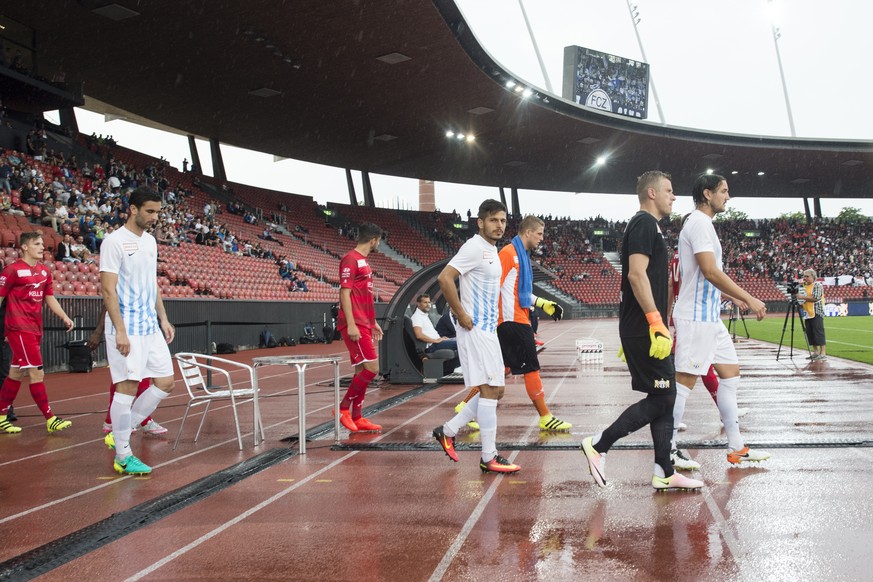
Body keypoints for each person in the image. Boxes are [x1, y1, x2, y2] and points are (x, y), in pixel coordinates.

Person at [580, 171, 703, 490]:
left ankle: (664, 470)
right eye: (669, 190)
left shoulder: (650, 227)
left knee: (665, 394)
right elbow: (636, 276)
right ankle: (599, 445)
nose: (674, 197)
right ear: (651, 193)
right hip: (644, 328)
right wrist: (655, 322)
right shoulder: (644, 224)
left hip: (642, 328)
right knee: (664, 398)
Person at [670, 173, 770, 467]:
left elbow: (705, 277)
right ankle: (669, 447)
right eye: (724, 191)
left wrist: (733, 298)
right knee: (684, 383)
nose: (728, 196)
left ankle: (737, 446)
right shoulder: (699, 223)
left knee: (730, 374)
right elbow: (710, 271)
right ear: (707, 193)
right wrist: (749, 297)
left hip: (710, 317)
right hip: (696, 318)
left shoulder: (704, 225)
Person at [454, 216, 571, 432]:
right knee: (531, 367)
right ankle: (545, 417)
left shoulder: (521, 255)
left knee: (500, 369)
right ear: (527, 232)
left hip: (516, 318)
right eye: (539, 234)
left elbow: (518, 290)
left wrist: (543, 303)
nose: (542, 239)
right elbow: (492, 286)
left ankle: (464, 406)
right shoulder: (508, 253)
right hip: (511, 321)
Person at [432, 199, 520, 474]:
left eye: (503, 221)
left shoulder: (493, 250)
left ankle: (448, 430)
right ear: (480, 222)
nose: (499, 225)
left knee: (496, 390)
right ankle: (489, 456)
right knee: (490, 390)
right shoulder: (473, 247)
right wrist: (460, 313)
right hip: (475, 329)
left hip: (488, 329)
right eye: (493, 220)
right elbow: (445, 278)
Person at [101, 186, 176, 475]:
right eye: (150, 211)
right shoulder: (114, 242)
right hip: (127, 325)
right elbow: (107, 290)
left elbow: (152, 283)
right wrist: (119, 330)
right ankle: (122, 454)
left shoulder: (150, 242)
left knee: (165, 382)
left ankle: (122, 430)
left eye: (157, 211)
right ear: (133, 209)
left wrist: (163, 318)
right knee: (127, 387)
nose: (155, 217)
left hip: (149, 325)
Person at [0, 231, 75, 435]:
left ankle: (1, 417)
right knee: (37, 372)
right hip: (18, 327)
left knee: (15, 373)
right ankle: (50, 418)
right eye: (37, 244)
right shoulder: (11, 270)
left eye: (43, 244)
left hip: (35, 328)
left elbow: (49, 298)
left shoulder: (44, 272)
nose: (43, 247)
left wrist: (65, 317)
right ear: (24, 247)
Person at [88, 306, 167, 435]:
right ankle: (142, 421)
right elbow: (108, 300)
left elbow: (151, 297)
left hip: (144, 326)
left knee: (128, 376)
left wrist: (163, 319)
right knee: (131, 376)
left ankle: (112, 421)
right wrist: (98, 332)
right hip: (125, 328)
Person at [336, 223, 384, 433]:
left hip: (364, 322)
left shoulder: (364, 261)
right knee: (373, 369)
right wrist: (352, 325)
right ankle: (343, 408)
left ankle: (357, 416)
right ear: (373, 239)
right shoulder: (351, 259)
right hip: (354, 324)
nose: (379, 244)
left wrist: (372, 322)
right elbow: (344, 293)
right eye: (379, 240)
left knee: (360, 370)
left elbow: (364, 295)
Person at [410, 293, 459, 374]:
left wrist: (440, 338)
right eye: (425, 302)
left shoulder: (424, 316)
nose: (428, 305)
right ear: (418, 304)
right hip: (433, 346)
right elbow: (418, 335)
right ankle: (446, 371)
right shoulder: (417, 317)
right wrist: (435, 341)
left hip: (438, 342)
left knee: (464, 341)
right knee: (463, 343)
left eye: (429, 302)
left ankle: (448, 370)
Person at [799, 268, 827, 361]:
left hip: (816, 312)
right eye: (804, 276)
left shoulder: (817, 285)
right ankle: (815, 352)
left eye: (807, 276)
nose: (805, 278)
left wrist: (802, 297)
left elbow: (816, 298)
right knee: (810, 333)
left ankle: (823, 352)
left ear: (813, 276)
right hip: (807, 313)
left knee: (818, 332)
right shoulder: (804, 286)